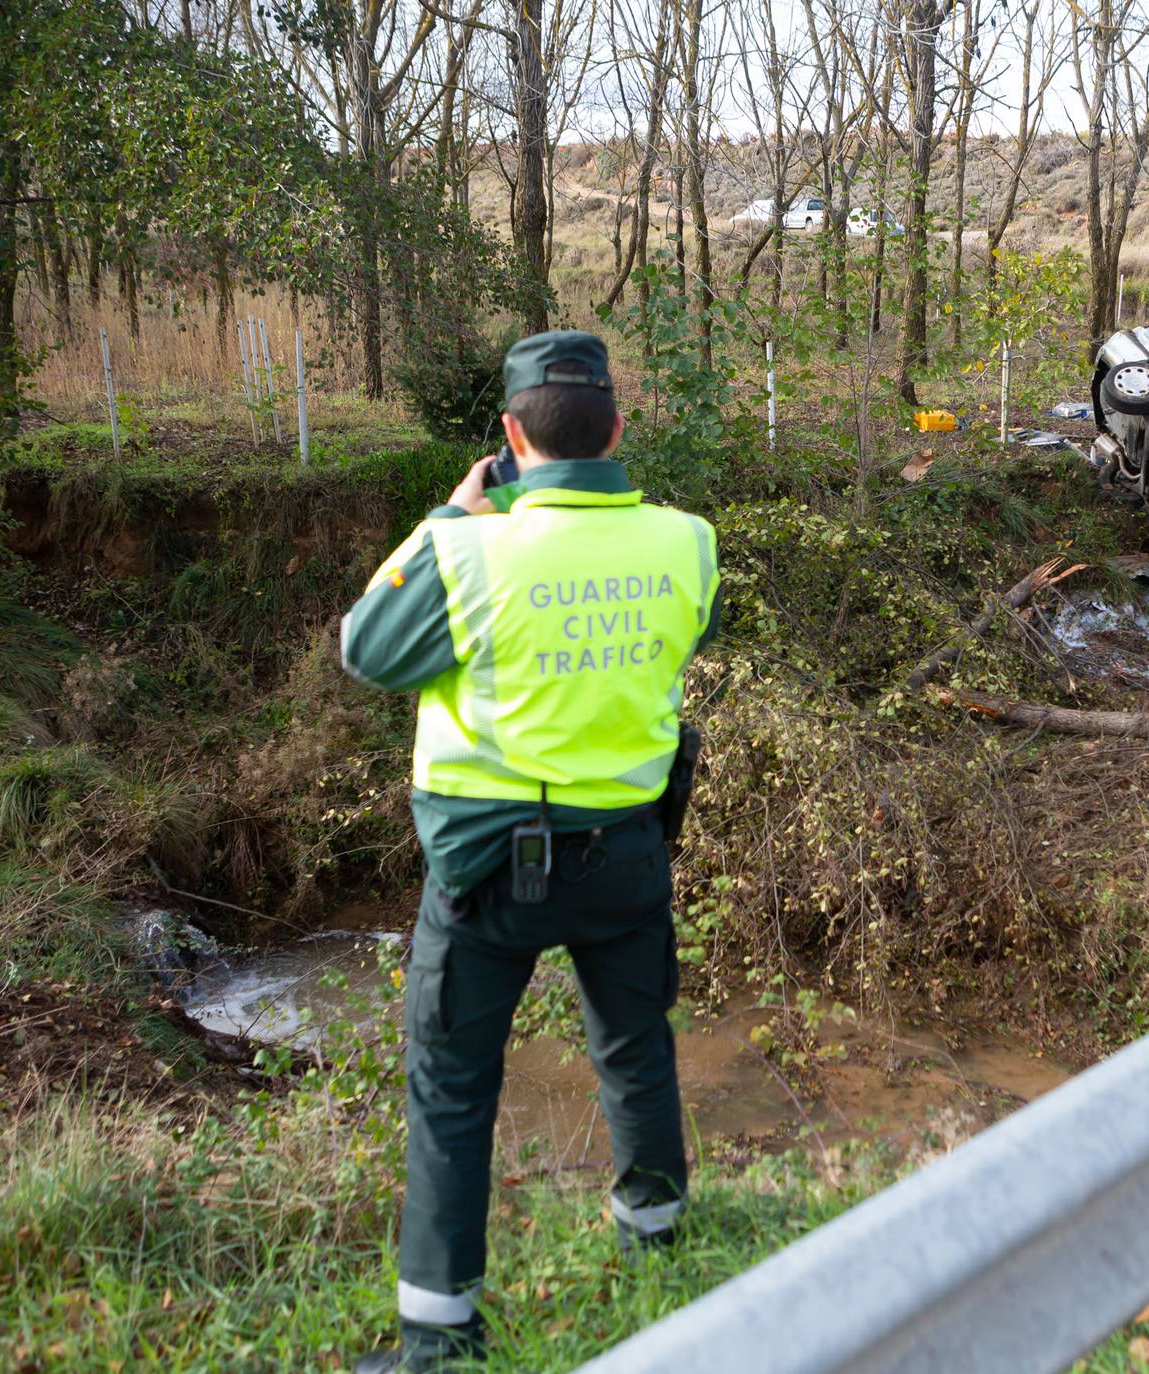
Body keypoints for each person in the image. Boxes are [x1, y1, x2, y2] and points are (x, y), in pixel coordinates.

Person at [339, 331, 720, 1372]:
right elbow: (683, 634)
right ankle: (655, 1238)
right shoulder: (686, 541)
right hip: (627, 855)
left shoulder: (465, 551)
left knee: (453, 1088)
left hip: (484, 873)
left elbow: (367, 649)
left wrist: (449, 516)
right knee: (634, 1044)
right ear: (617, 427)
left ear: (510, 436)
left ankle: (439, 1337)